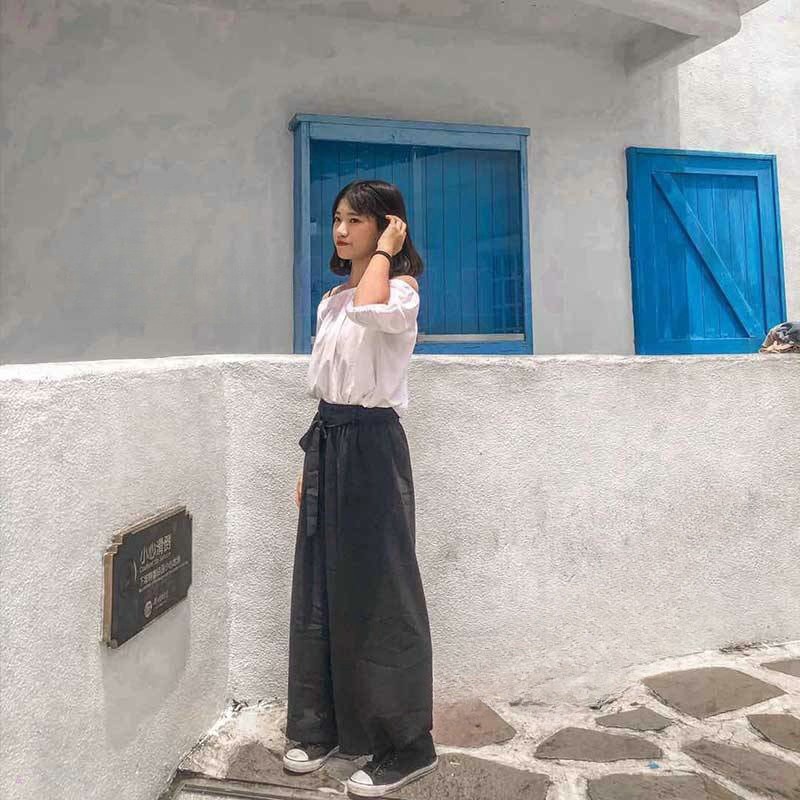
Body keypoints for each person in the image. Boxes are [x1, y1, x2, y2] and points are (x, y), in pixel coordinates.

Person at [283, 179, 438, 797]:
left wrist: (387, 254)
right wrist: (310, 467)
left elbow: (373, 306)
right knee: (320, 586)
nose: (341, 231)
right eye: (336, 219)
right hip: (329, 441)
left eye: (356, 220)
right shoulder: (330, 301)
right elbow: (327, 387)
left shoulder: (400, 291)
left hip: (373, 445)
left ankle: (407, 744)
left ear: (387, 226)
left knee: (383, 590)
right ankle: (323, 727)